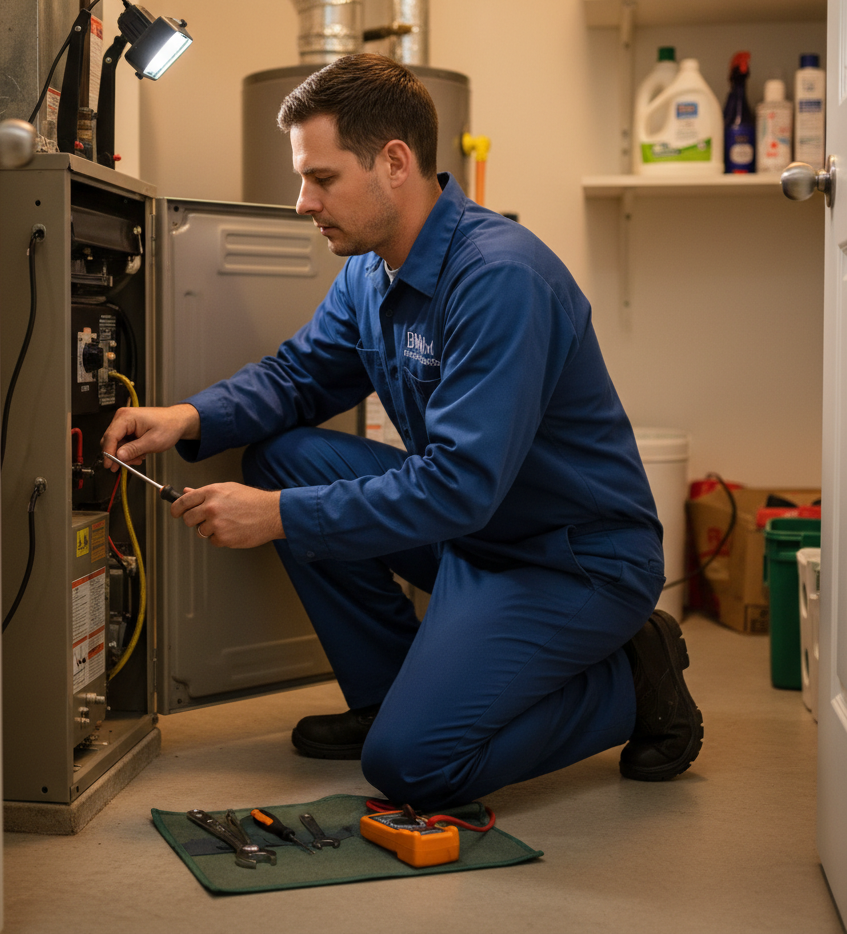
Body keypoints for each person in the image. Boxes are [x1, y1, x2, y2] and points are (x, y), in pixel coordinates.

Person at [101, 53, 703, 811]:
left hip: (569, 561)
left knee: (415, 768)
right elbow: (300, 377)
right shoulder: (370, 269)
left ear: (394, 162)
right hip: (477, 534)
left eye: (321, 179)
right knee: (286, 458)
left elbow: (458, 486)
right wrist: (187, 417)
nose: (301, 203)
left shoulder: (500, 279)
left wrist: (276, 519)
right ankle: (392, 693)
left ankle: (634, 678)